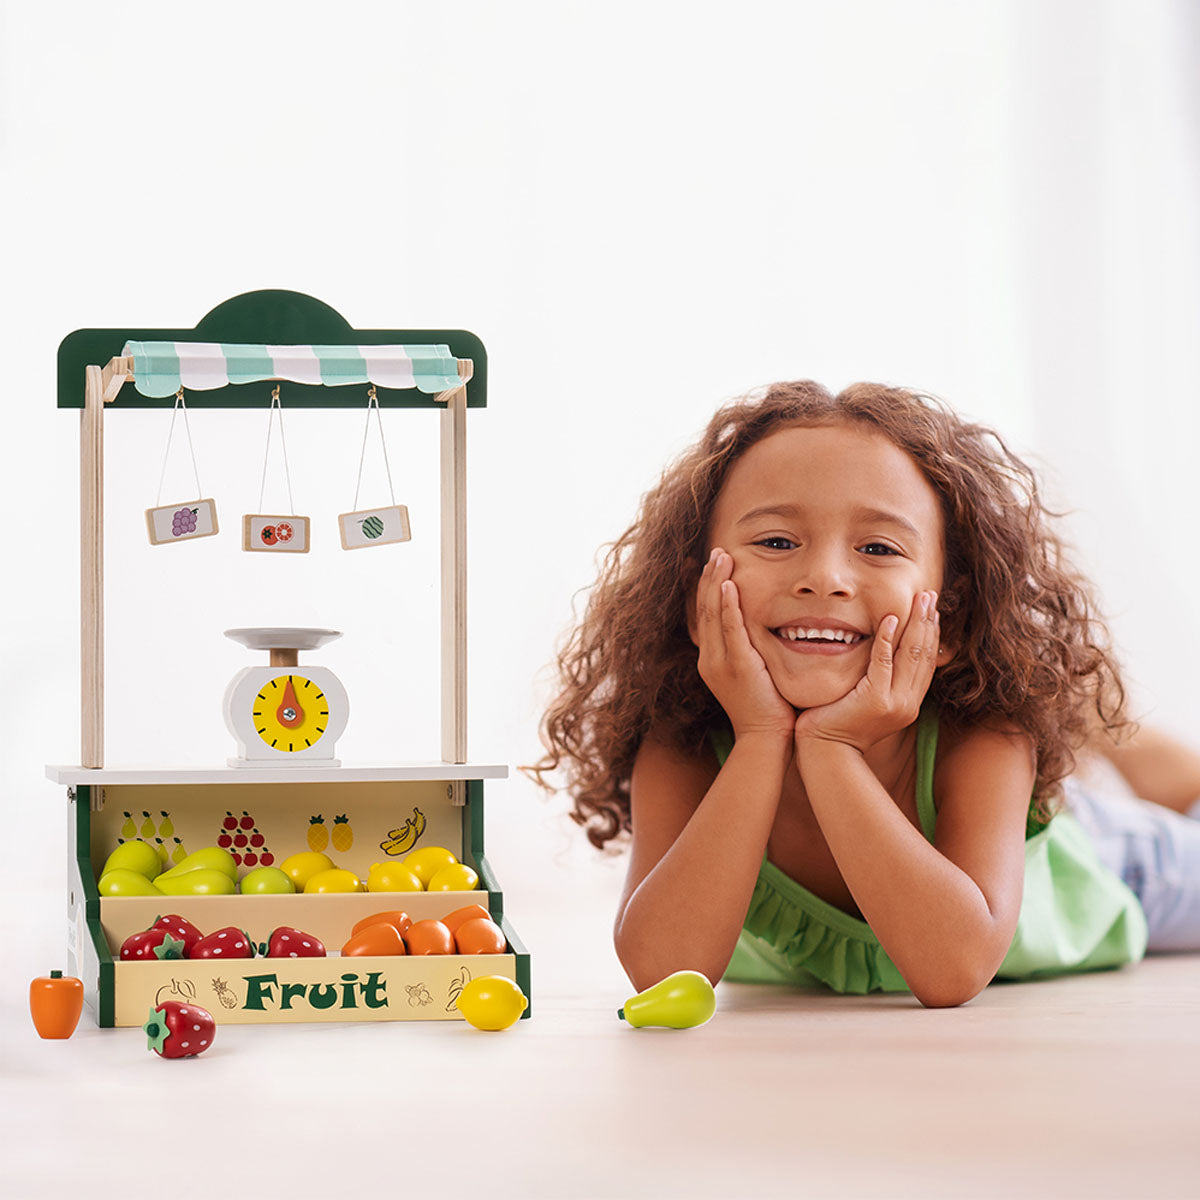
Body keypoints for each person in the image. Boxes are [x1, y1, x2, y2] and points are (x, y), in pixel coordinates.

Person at [533, 380, 1200, 1007]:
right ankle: (1114, 747)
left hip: (1112, 866)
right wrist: (763, 738)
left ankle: (1137, 756)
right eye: (776, 540)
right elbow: (663, 970)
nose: (824, 578)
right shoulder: (682, 744)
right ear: (694, 596)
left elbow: (952, 969)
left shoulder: (985, 734)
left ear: (954, 616)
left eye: (878, 548)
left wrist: (828, 747)